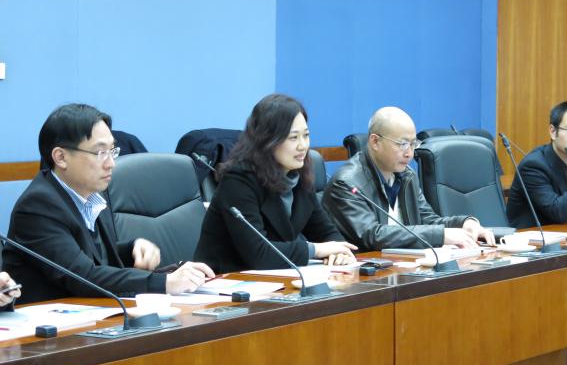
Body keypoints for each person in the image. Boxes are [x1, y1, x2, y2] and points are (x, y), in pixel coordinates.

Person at [2, 104, 214, 304]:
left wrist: (130, 250)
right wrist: (164, 283)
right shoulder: (38, 206)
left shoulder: (92, 194)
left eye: (112, 151)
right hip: (46, 325)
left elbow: (88, 255)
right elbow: (83, 276)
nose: (111, 163)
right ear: (61, 157)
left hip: (90, 315)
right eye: (100, 152)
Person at [194, 94, 356, 273]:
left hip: (275, 279)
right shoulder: (239, 181)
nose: (303, 146)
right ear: (267, 140)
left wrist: (340, 252)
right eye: (293, 138)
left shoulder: (298, 176)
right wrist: (316, 250)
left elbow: (327, 233)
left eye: (306, 135)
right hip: (225, 280)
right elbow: (259, 254)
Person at [322, 107, 496, 251]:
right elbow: (372, 236)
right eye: (403, 144)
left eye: (413, 144)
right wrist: (441, 235)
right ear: (375, 142)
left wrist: (464, 224)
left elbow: (428, 221)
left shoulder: (407, 176)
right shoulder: (347, 183)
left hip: (403, 266)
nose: (410, 153)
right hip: (363, 273)